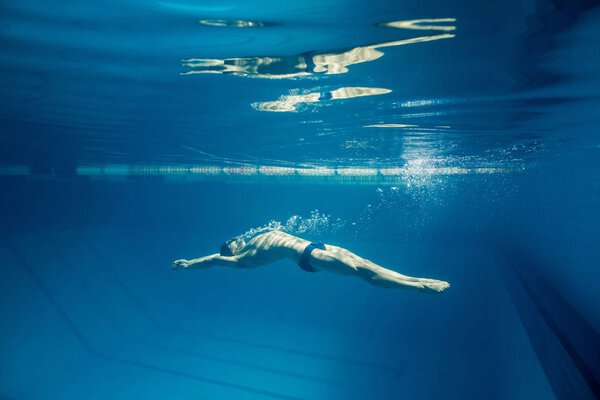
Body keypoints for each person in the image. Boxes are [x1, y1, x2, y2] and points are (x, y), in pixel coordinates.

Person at [172, 230, 450, 293]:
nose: (235, 239)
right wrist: (189, 263)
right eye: (231, 242)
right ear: (231, 250)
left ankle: (418, 279)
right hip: (307, 257)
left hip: (319, 245)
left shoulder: (253, 238)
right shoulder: (238, 259)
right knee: (361, 271)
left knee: (367, 262)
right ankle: (419, 289)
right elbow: (212, 259)